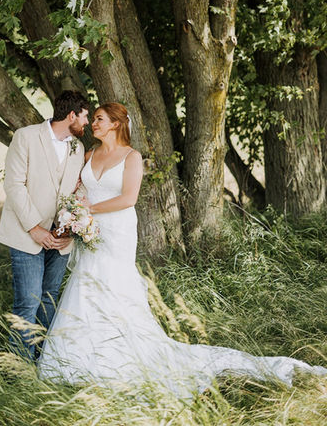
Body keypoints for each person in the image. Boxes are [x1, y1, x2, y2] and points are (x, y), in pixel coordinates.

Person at [37, 102, 327, 397]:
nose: (93, 124)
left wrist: (90, 210)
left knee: (113, 285)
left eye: (99, 119)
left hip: (117, 230)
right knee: (85, 283)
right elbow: (78, 191)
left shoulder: (131, 157)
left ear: (115, 124)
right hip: (91, 230)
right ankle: (78, 357)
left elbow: (128, 198)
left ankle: (120, 353)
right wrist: (75, 213)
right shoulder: (89, 154)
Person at [0, 90, 89, 359]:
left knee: (48, 302)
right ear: (71, 115)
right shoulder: (25, 137)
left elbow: (78, 189)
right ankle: (19, 368)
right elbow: (13, 185)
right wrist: (35, 229)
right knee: (28, 301)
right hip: (27, 235)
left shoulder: (78, 147)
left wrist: (71, 230)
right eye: (84, 117)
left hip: (60, 240)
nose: (86, 124)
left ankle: (42, 362)